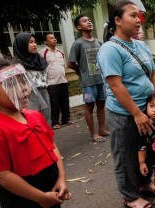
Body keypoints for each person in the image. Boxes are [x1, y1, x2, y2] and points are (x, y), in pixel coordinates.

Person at [0, 58, 72, 208]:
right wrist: (41, 198)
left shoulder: (34, 116)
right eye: (12, 84)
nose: (24, 89)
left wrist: (61, 178)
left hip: (51, 192)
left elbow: (52, 147)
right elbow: (2, 175)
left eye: (23, 81)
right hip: (23, 199)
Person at [97, 1, 155, 207]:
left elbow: (153, 73)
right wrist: (136, 113)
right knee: (126, 155)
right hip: (124, 114)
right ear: (117, 20)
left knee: (146, 149)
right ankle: (130, 196)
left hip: (146, 109)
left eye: (139, 16)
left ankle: (143, 184)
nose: (138, 20)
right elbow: (116, 86)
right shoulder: (110, 49)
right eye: (133, 16)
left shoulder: (140, 45)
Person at [68, 14, 109, 142]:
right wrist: (81, 72)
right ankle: (93, 134)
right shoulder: (78, 44)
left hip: (100, 80)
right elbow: (70, 63)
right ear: (79, 27)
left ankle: (102, 129)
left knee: (101, 105)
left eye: (89, 20)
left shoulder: (99, 42)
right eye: (85, 21)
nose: (89, 22)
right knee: (89, 107)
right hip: (88, 82)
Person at [13, 32, 51, 125]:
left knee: (46, 120)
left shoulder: (40, 60)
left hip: (44, 92)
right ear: (22, 45)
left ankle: (48, 139)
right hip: (29, 95)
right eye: (30, 42)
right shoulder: (16, 65)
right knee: (33, 121)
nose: (34, 45)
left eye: (35, 42)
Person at [39, 33, 71, 130]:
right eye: (51, 38)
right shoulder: (43, 53)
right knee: (54, 103)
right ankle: (55, 122)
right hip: (52, 82)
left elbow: (63, 65)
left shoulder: (60, 52)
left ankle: (66, 119)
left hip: (63, 80)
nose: (54, 39)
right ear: (46, 42)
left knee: (65, 101)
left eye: (54, 38)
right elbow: (42, 68)